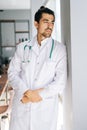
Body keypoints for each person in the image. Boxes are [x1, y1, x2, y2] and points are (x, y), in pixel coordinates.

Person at [8, 6, 67, 130]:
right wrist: (27, 92)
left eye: (52, 22)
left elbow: (60, 83)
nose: (50, 26)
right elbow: (12, 73)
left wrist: (37, 95)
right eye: (46, 21)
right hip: (22, 108)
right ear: (36, 24)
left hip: (45, 110)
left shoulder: (59, 49)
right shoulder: (23, 47)